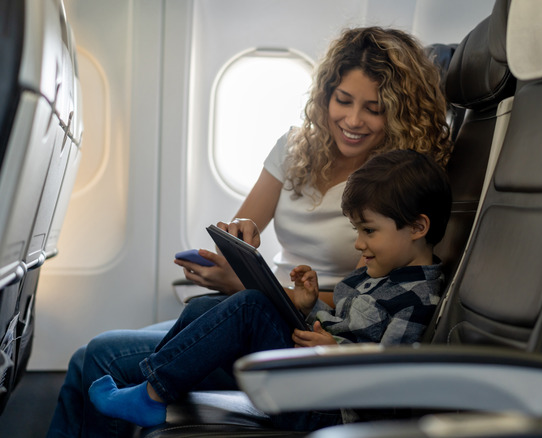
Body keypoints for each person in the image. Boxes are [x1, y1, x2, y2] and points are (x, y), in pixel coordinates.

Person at [47, 26, 451, 438]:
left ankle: (153, 392)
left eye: (373, 109)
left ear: (398, 112)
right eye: (342, 100)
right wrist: (240, 245)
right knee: (93, 354)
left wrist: (263, 293)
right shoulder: (297, 148)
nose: (352, 119)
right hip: (293, 308)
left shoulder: (395, 188)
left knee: (99, 356)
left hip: (297, 327)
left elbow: (379, 325)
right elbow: (247, 229)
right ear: (326, 94)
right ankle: (161, 382)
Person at [87, 149, 452, 431]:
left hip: (332, 409)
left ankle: (151, 396)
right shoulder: (379, 272)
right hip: (313, 381)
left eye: (368, 231)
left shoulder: (417, 297)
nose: (358, 244)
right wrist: (310, 308)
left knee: (249, 307)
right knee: (206, 308)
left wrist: (337, 353)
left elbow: (395, 379)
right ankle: (157, 389)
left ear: (418, 227)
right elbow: (342, 327)